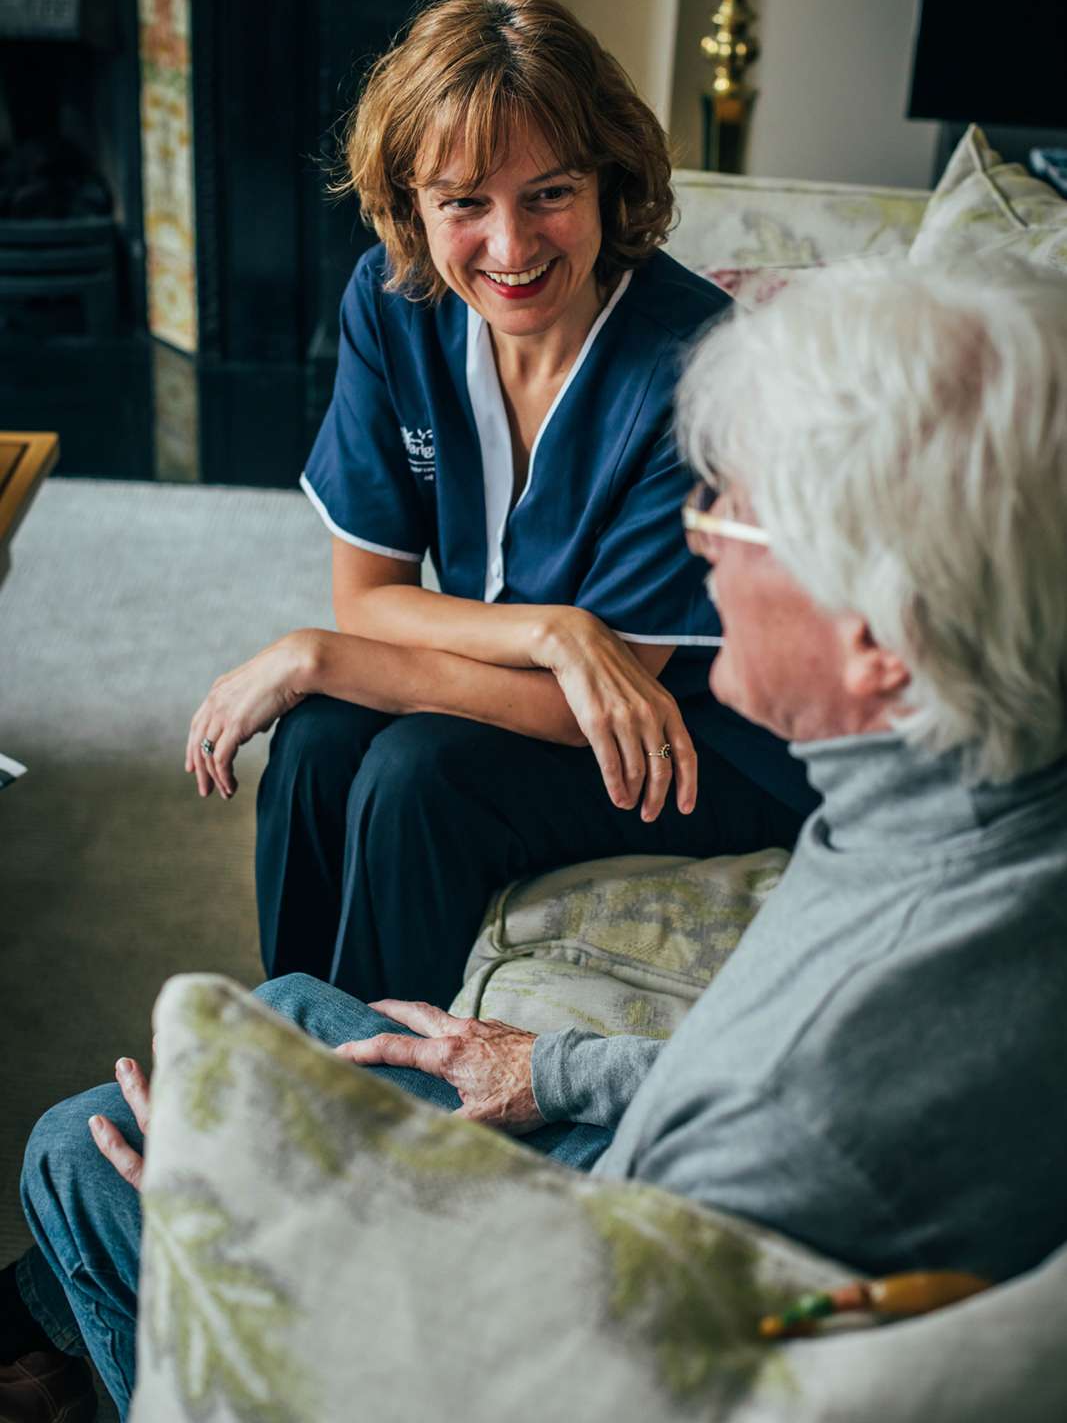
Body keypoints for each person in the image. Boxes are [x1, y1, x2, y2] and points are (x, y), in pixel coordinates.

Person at [9, 260, 1067, 1420]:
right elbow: (738, 1089)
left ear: (878, 639)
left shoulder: (802, 1091)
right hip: (644, 1222)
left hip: (575, 1292)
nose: (698, 544)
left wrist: (255, 1226)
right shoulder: (945, 807)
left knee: (79, 1151)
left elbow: (554, 1368)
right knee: (299, 1010)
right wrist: (551, 1065)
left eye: (727, 512)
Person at [183, 0, 815, 1010]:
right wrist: (552, 629)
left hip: (704, 738)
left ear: (608, 182)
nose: (511, 248)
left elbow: (592, 706)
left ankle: (385, 1082)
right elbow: (370, 594)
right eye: (464, 203)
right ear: (411, 205)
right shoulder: (390, 302)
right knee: (316, 741)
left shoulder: (699, 366)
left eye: (549, 194)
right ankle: (290, 1044)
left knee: (418, 774)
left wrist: (314, 655)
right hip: (545, 670)